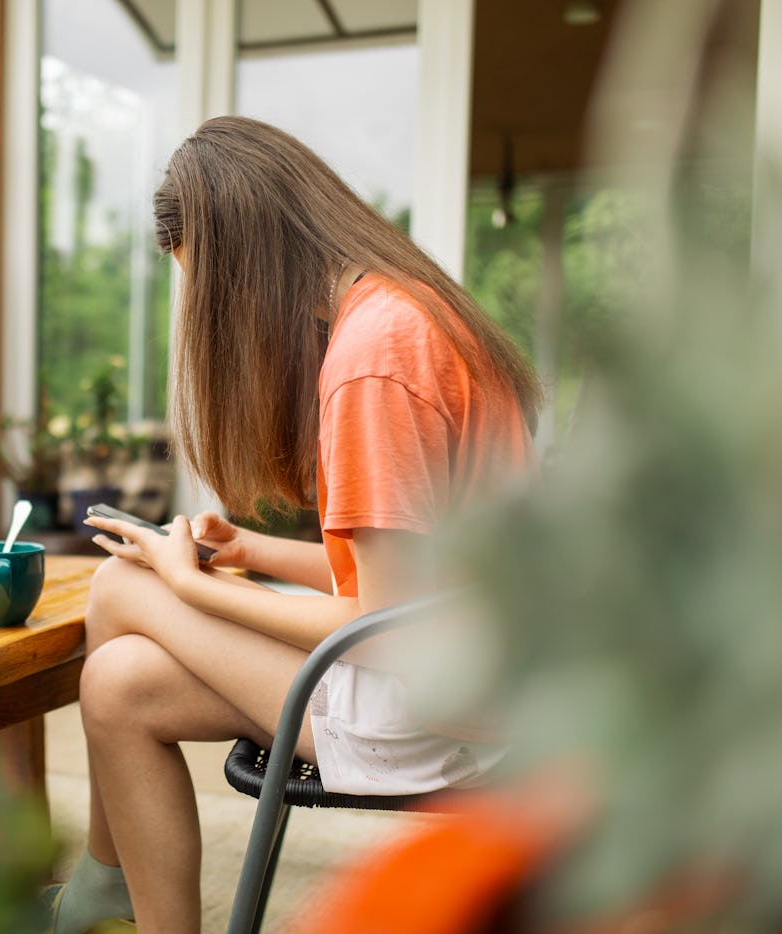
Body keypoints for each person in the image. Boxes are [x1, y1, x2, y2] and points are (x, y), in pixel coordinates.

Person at [47, 115, 542, 934]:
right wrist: (249, 551)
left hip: (431, 712)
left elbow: (380, 631)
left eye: (204, 285)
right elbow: (409, 583)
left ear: (245, 266)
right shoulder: (407, 312)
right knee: (116, 683)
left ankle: (95, 897)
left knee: (119, 584)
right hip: (475, 680)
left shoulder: (371, 359)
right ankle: (104, 899)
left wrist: (187, 586)